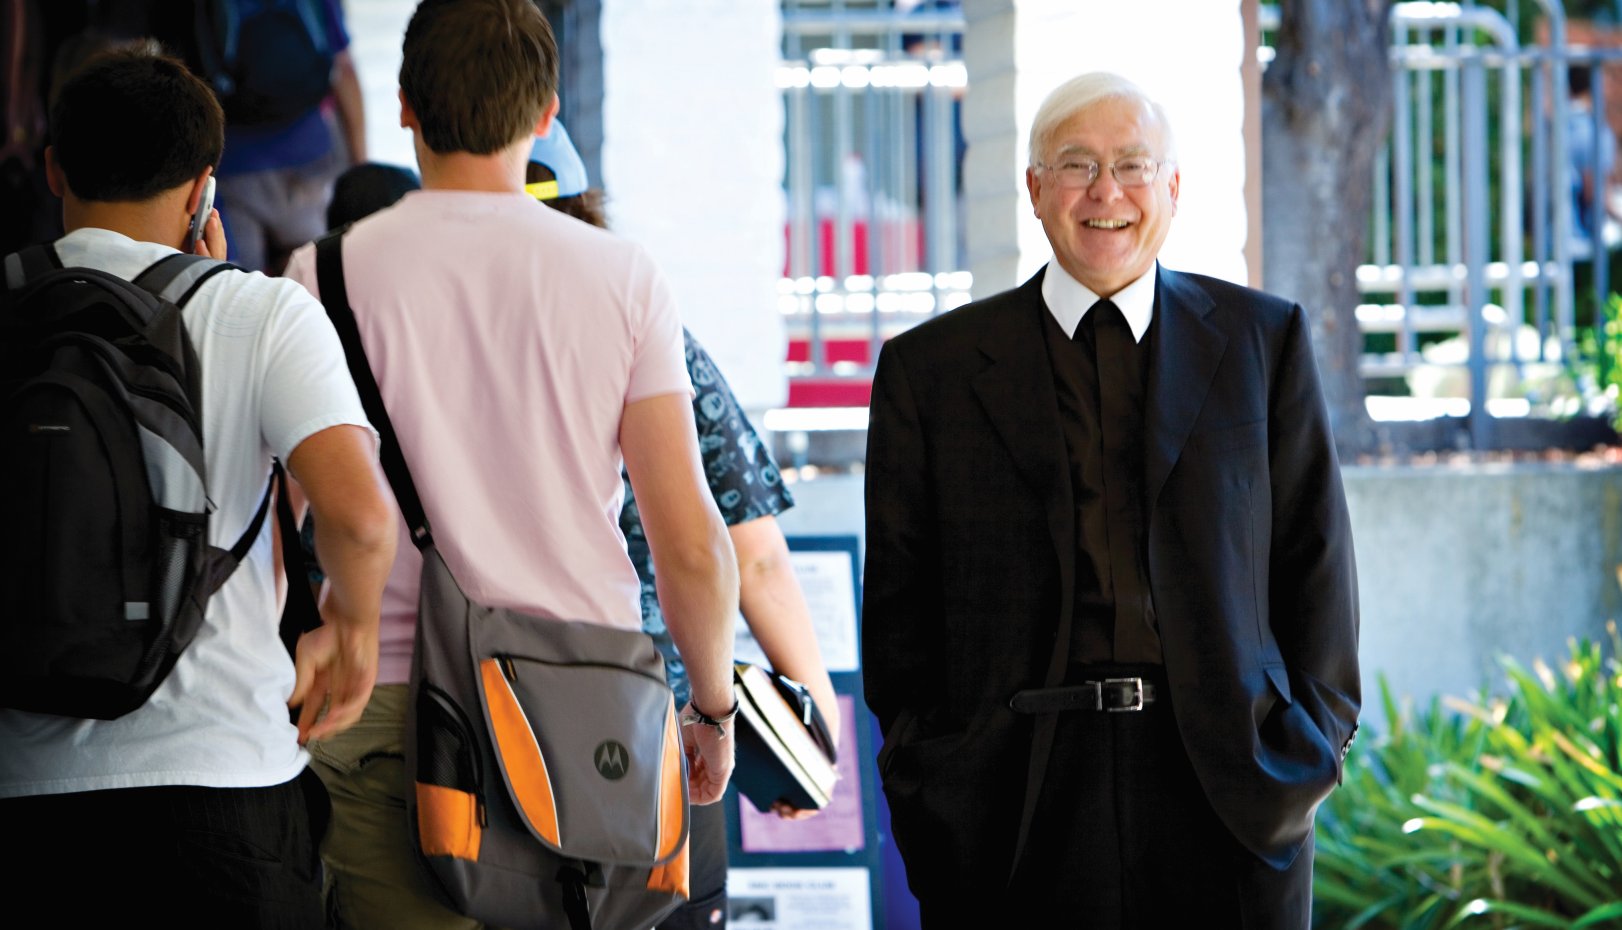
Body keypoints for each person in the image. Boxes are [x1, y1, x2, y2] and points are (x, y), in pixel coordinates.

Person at [862, 71, 1360, 928]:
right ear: (1034, 190)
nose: (1106, 192)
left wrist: (1305, 751)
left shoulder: (1262, 341)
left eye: (1133, 165)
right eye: (1076, 165)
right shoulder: (928, 372)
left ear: (1172, 188)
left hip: (1230, 792)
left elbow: (1315, 564)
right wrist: (932, 780)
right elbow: (901, 617)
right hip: (1007, 802)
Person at [283, 3, 740, 927]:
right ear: (545, 116)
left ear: (405, 107)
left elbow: (305, 516)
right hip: (586, 713)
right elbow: (687, 539)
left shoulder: (321, 277)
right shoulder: (624, 278)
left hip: (392, 708)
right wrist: (713, 710)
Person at [0, 45, 395, 928]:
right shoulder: (259, 311)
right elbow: (362, 520)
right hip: (223, 794)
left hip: (21, 795)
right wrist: (352, 629)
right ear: (203, 188)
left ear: (56, 168)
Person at [529, 121, 841, 930]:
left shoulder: (422, 330)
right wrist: (813, 730)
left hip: (481, 712)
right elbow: (750, 556)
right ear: (585, 212)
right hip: (651, 728)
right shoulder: (647, 333)